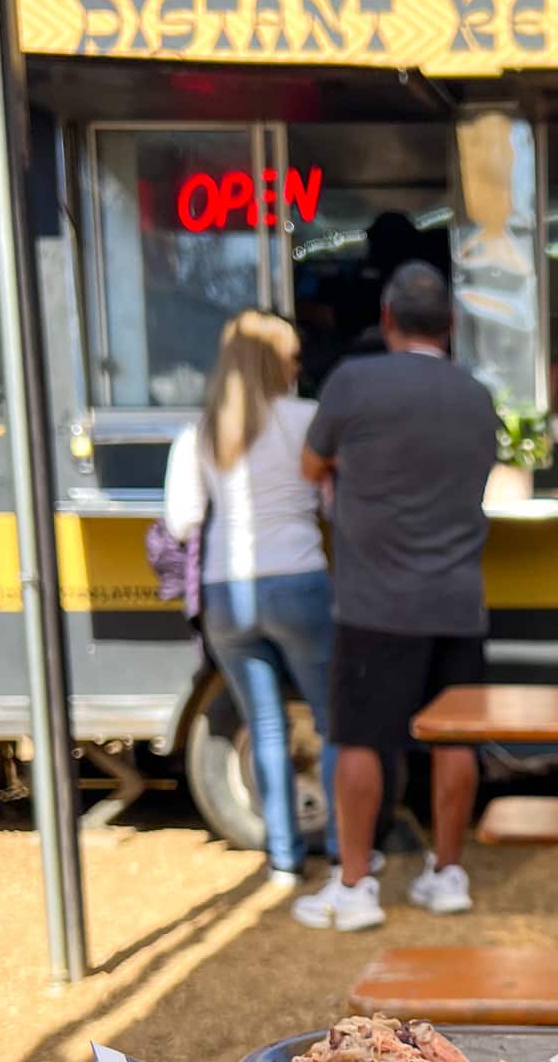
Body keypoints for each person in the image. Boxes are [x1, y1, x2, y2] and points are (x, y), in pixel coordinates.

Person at [291, 262, 497, 932]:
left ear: (386, 320)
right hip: (458, 597)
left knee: (361, 740)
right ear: (452, 327)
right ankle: (447, 873)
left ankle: (354, 887)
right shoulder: (477, 396)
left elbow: (310, 464)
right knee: (454, 738)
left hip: (374, 600)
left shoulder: (353, 382)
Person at [163, 311, 338, 885]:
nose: (298, 367)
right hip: (297, 580)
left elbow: (183, 521)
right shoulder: (307, 420)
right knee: (331, 723)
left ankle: (283, 859)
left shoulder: (200, 431)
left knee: (264, 728)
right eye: (292, 358)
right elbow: (333, 506)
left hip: (224, 591)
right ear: (275, 364)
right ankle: (342, 847)